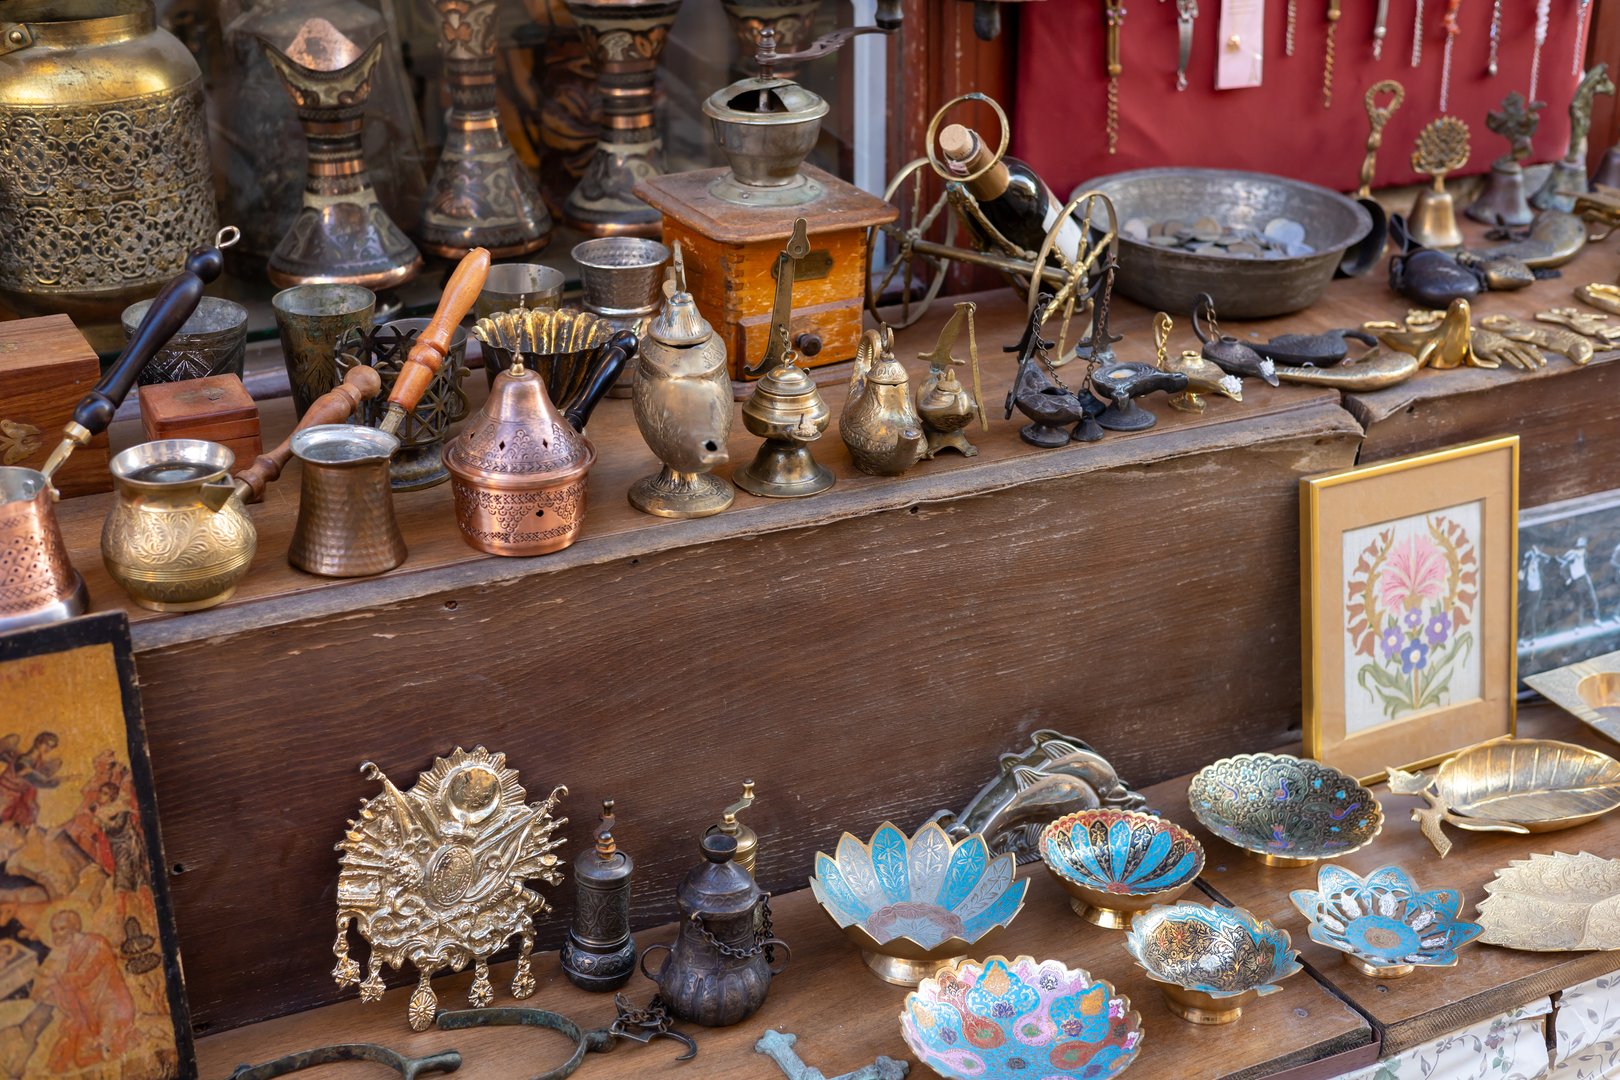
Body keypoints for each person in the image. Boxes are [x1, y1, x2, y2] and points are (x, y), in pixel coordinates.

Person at [1559, 537, 1602, 625]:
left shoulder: (1583, 554)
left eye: (1583, 547)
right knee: (1580, 603)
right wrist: (1568, 578)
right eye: (1580, 546)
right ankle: (1579, 625)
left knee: (1593, 599)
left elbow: (1585, 563)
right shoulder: (1571, 554)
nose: (1582, 548)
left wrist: (1588, 574)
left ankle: (1597, 619)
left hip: (1585, 578)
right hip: (1577, 581)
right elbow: (1563, 567)